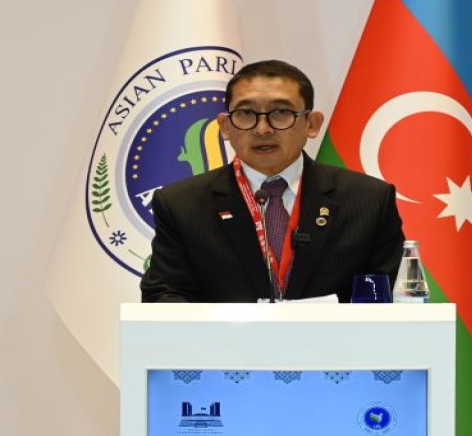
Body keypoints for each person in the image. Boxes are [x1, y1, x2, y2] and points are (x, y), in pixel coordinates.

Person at [140, 59, 405, 302]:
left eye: (280, 112)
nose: (262, 129)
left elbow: (381, 302)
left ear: (312, 124)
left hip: (334, 351)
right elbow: (165, 294)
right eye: (245, 114)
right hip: (223, 352)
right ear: (225, 127)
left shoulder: (368, 201)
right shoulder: (181, 204)